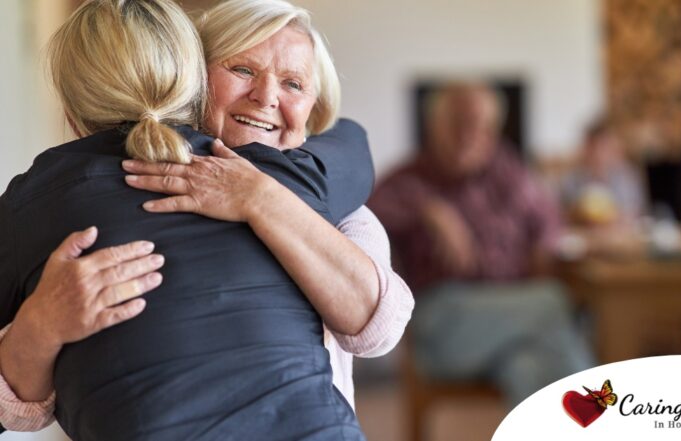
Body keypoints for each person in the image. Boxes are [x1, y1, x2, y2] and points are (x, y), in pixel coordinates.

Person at [0, 0, 413, 439]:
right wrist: (39, 326)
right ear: (191, 79)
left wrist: (260, 199)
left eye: (293, 83)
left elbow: (378, 330)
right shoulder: (62, 204)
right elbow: (26, 407)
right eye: (242, 70)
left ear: (315, 107)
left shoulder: (326, 198)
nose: (267, 97)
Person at [369, 83, 592, 407]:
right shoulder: (409, 178)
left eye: (482, 126)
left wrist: (542, 248)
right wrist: (429, 209)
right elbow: (363, 213)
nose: (470, 134)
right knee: (553, 302)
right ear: (434, 126)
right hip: (444, 325)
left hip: (512, 319)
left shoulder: (508, 172)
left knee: (527, 365)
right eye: (458, 122)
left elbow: (550, 221)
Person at [561, 118, 646, 227]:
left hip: (619, 237)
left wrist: (612, 219)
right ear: (586, 149)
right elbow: (563, 214)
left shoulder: (626, 178)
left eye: (604, 147)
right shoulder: (571, 180)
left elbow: (634, 212)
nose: (598, 154)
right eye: (593, 147)